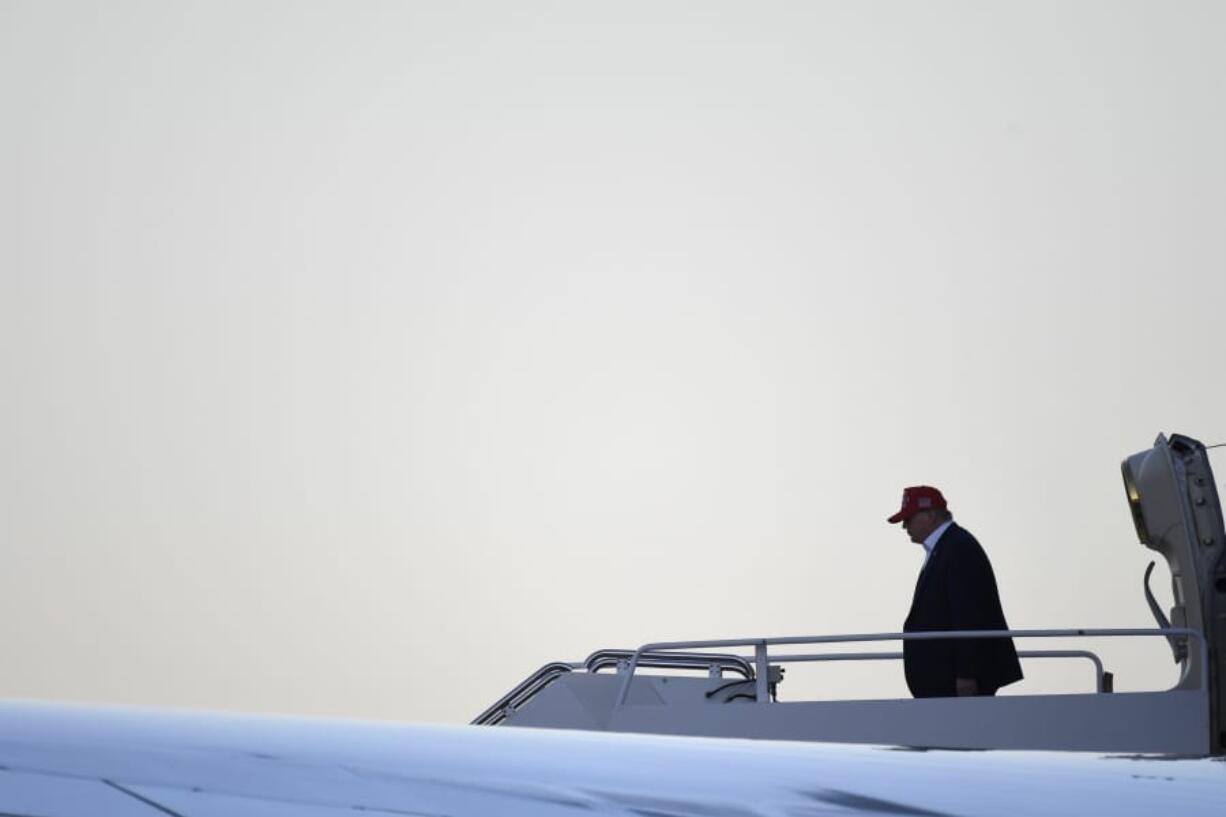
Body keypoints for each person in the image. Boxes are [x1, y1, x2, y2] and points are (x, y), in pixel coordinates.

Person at [888, 485, 1023, 698]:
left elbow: (969, 613)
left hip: (954, 681)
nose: (905, 526)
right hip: (947, 679)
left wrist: (967, 674)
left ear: (931, 515)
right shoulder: (948, 547)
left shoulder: (957, 548)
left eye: (910, 518)